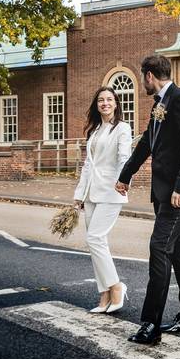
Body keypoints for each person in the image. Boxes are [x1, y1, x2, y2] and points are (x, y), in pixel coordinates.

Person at [116, 54, 180, 345]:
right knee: (179, 251)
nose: (143, 82)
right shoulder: (159, 104)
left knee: (158, 247)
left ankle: (150, 324)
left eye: (143, 77)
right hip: (165, 191)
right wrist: (125, 174)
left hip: (178, 193)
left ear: (149, 75)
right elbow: (147, 143)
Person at [74, 87, 133, 313]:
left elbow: (124, 159)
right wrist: (79, 195)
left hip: (112, 191)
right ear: (96, 104)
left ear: (116, 104)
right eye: (101, 100)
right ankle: (104, 295)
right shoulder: (95, 130)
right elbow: (88, 165)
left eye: (109, 99)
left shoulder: (123, 128)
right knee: (96, 244)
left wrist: (123, 181)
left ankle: (116, 286)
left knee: (95, 238)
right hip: (91, 193)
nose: (105, 103)